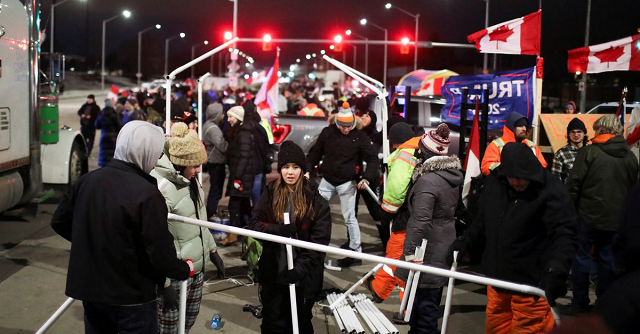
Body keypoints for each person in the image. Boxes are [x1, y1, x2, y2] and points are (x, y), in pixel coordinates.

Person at [51, 121, 194, 333]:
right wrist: (183, 270)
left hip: (91, 291)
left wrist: (95, 242)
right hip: (131, 295)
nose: (156, 160)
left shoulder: (87, 181)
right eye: (155, 153)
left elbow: (59, 222)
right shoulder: (146, 194)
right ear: (144, 151)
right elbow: (158, 250)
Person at [449, 142, 578, 334]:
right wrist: (466, 239)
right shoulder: (495, 183)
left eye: (520, 178)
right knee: (495, 329)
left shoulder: (550, 190)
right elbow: (483, 218)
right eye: (511, 177)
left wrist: (557, 269)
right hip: (498, 281)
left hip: (531, 285)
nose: (515, 182)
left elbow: (564, 233)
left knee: (529, 329)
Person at [248, 141, 332, 334]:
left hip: (303, 277)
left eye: (295, 167)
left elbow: (318, 244)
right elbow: (254, 224)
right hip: (274, 271)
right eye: (286, 167)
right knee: (272, 321)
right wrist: (279, 230)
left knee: (299, 321)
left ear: (302, 169)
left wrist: (299, 269)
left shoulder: (316, 201)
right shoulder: (271, 192)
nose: (290, 172)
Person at [151, 122, 224, 333]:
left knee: (187, 324)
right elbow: (154, 240)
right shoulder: (161, 189)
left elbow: (199, 219)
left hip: (197, 270)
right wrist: (164, 284)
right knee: (169, 329)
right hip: (174, 276)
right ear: (180, 163)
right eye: (195, 165)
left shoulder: (191, 181)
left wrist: (212, 250)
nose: (199, 169)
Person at [565, 114, 639, 315]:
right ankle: (603, 305)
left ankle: (579, 303)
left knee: (581, 259)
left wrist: (569, 210)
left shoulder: (589, 152)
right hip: (616, 220)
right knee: (607, 260)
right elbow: (634, 188)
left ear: (602, 130)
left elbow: (574, 184)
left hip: (587, 216)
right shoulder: (630, 156)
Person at [395, 124, 462, 333]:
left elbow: (420, 220)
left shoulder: (428, 181)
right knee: (428, 305)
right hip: (442, 244)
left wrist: (407, 253)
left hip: (427, 250)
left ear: (426, 151)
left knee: (423, 311)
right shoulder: (450, 175)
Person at [307, 102, 378, 267]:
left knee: (349, 217)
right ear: (337, 122)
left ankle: (355, 251)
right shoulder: (327, 133)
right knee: (315, 213)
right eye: (343, 126)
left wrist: (366, 177)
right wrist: (308, 170)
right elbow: (315, 153)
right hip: (327, 180)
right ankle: (312, 246)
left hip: (347, 183)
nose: (346, 129)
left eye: (349, 126)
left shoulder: (360, 136)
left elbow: (372, 159)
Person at [366, 122, 421, 305]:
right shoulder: (419, 150)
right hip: (418, 215)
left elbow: (397, 189)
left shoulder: (404, 154)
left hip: (406, 216)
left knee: (399, 259)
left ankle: (406, 309)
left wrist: (386, 212)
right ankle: (379, 290)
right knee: (397, 258)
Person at [218, 106, 259, 246]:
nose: (228, 120)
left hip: (241, 177)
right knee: (244, 206)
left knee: (235, 206)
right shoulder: (240, 132)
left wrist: (238, 177)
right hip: (241, 175)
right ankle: (252, 230)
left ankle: (234, 234)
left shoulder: (243, 133)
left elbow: (244, 156)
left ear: (239, 118)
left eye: (231, 117)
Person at [480, 111, 547, 175]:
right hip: (503, 184)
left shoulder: (531, 145)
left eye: (525, 126)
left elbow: (543, 166)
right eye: (520, 126)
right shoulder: (496, 145)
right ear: (511, 128)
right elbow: (486, 166)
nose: (524, 129)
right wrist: (509, 170)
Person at [202, 102, 228, 218]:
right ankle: (211, 212)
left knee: (215, 188)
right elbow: (223, 146)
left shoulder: (208, 125)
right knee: (216, 189)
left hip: (213, 161)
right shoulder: (213, 129)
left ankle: (211, 211)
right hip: (216, 162)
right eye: (221, 113)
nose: (223, 116)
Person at [552, 118, 588, 183]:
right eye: (573, 132)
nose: (576, 135)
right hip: (569, 191)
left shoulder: (591, 150)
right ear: (568, 134)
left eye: (579, 132)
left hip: (589, 191)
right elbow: (556, 178)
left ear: (584, 134)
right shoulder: (561, 153)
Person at [95, 99, 122, 167]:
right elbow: (119, 126)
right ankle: (111, 167)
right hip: (113, 138)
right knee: (112, 153)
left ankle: (103, 166)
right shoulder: (115, 114)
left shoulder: (101, 114)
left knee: (104, 152)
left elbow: (97, 125)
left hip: (104, 136)